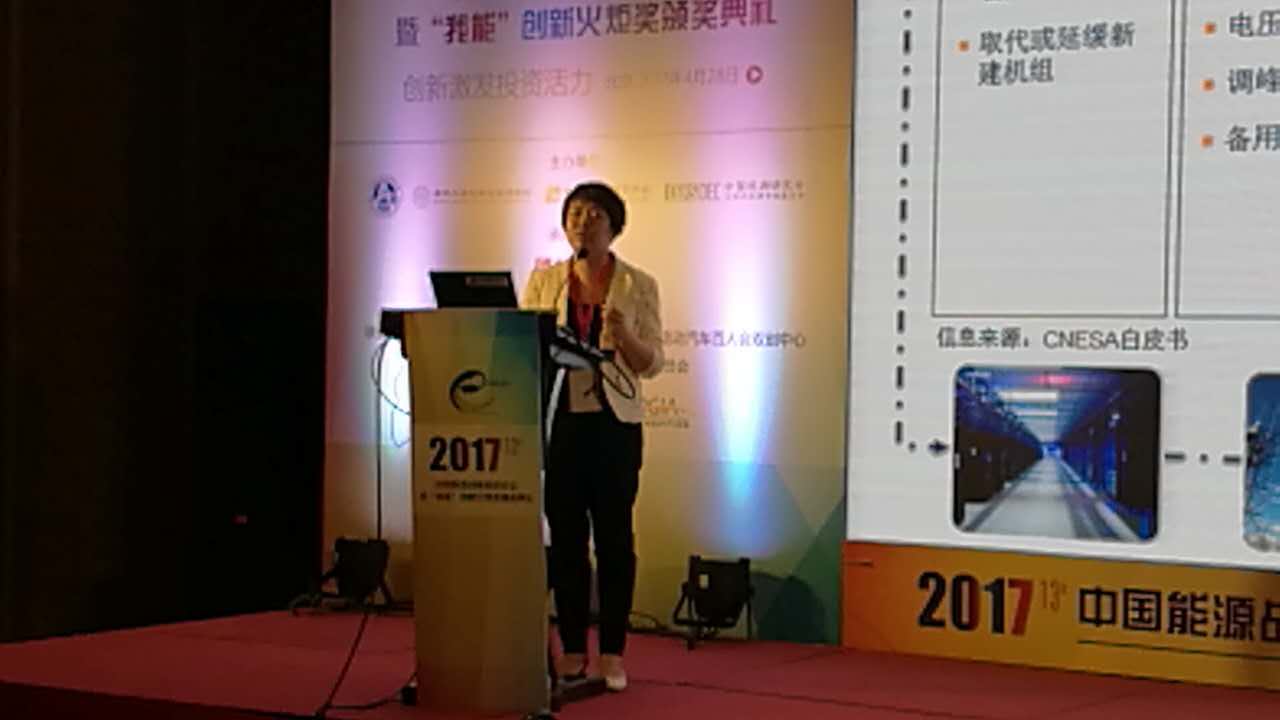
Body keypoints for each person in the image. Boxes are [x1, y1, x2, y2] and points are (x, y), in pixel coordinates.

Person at [521, 182, 663, 692]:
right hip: (561, 424)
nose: (584, 223)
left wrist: (624, 335)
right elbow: (524, 348)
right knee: (566, 541)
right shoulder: (544, 282)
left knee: (614, 541)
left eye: (595, 214)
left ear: (614, 226)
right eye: (576, 213)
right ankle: (574, 648)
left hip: (614, 427)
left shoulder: (638, 284)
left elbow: (652, 364)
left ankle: (613, 653)